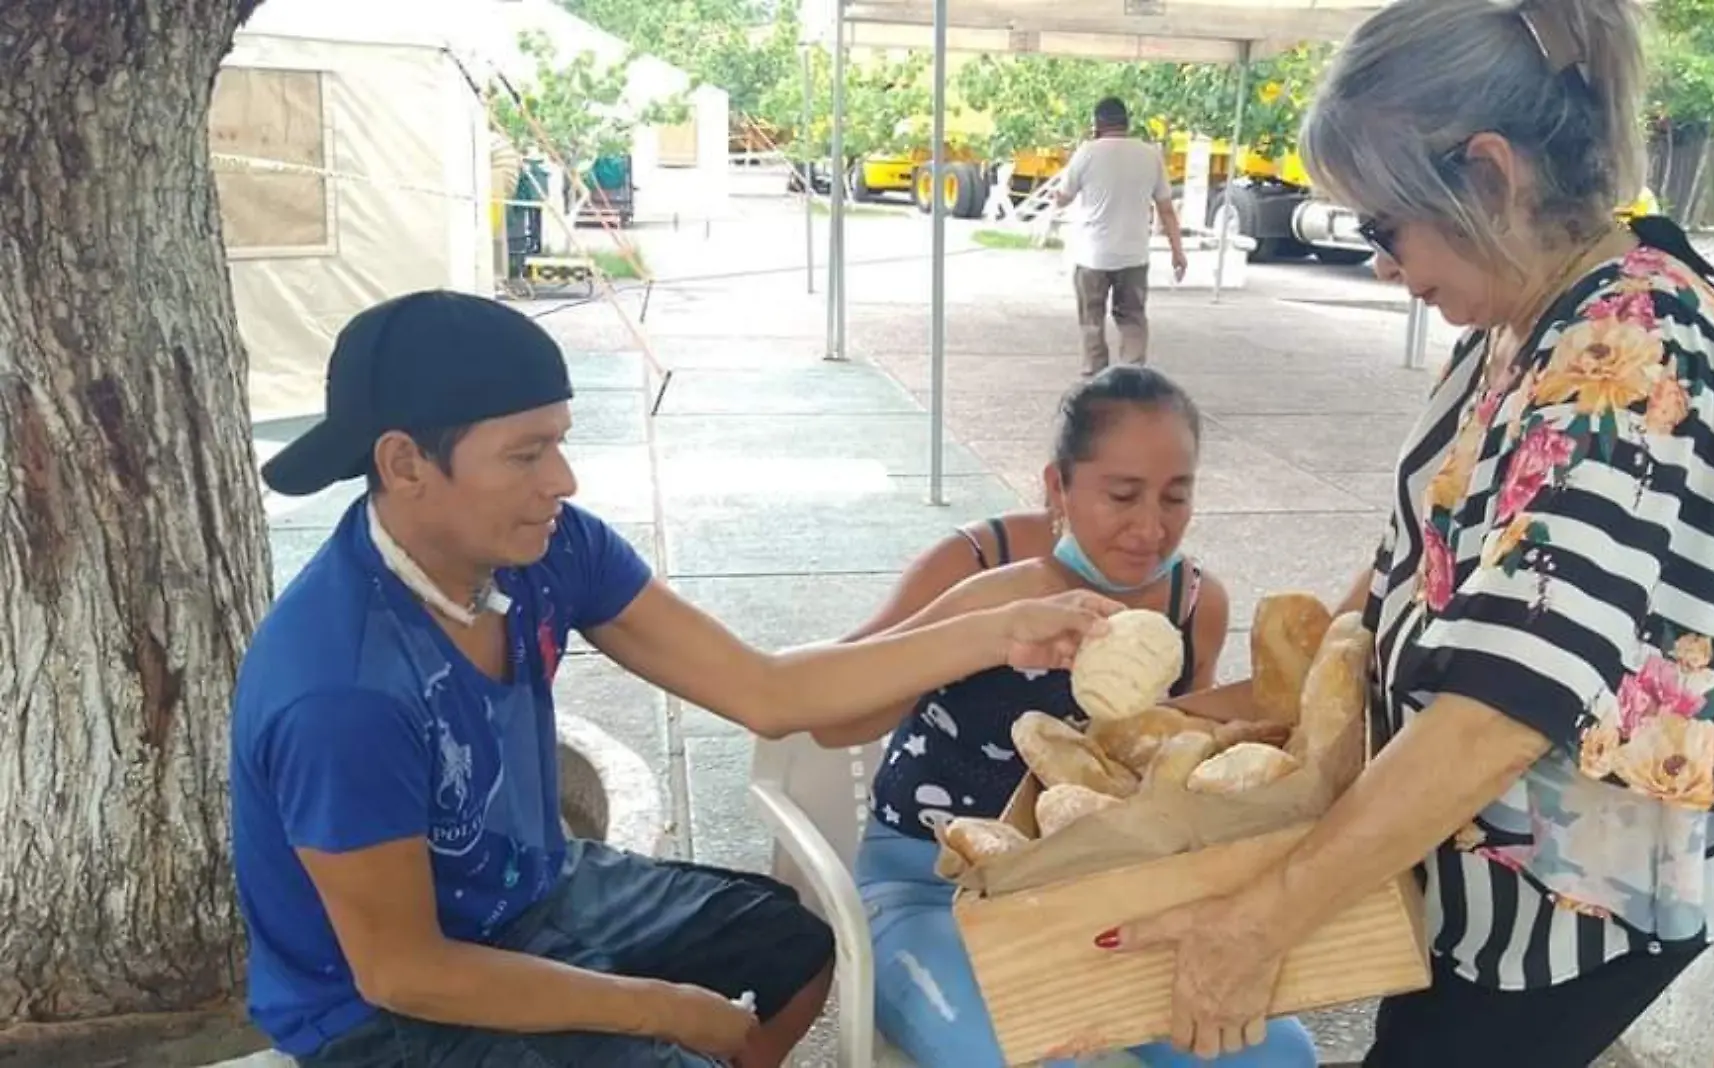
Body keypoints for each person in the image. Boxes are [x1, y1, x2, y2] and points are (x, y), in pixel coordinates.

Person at [1092, 3, 1714, 1067]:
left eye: (1383, 226)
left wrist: (1260, 920)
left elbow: (1504, 703)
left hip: (1582, 878)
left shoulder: (1633, 353)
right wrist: (1256, 717)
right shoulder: (1528, 313)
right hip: (1498, 843)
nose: (1381, 263)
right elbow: (1417, 557)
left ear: (1485, 174)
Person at [230, 289, 1122, 1067]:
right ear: (403, 464)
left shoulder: (552, 550)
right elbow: (406, 971)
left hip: (532, 889)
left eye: (562, 444)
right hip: (378, 1017)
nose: (563, 480)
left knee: (799, 950)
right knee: (673, 1037)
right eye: (526, 453)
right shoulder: (340, 688)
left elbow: (768, 691)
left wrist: (999, 632)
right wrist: (657, 1008)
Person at [812, 366, 1320, 1068]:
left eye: (1176, 497)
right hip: (928, 891)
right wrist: (976, 625)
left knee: (1273, 1057)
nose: (1151, 528)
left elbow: (1162, 762)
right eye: (1122, 495)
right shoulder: (974, 567)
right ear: (1057, 486)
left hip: (1099, 894)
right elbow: (830, 721)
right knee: (1012, 1054)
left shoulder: (1195, 602)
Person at [1054, 97, 1190, 377]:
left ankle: (1095, 378)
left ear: (1097, 124)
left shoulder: (1086, 152)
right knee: (1132, 319)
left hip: (1092, 256)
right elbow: (1166, 209)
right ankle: (1131, 377)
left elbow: (1062, 199)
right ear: (1126, 122)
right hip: (1134, 255)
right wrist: (1178, 252)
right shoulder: (1149, 154)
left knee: (1091, 320)